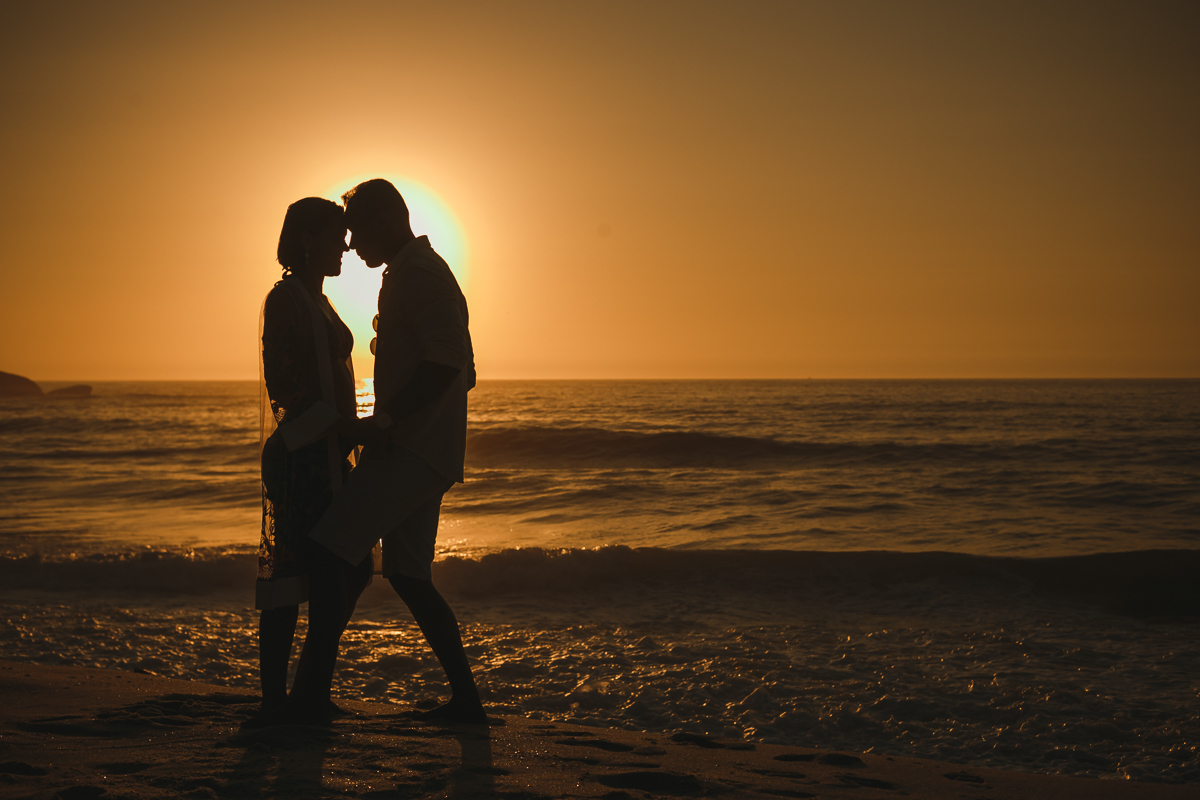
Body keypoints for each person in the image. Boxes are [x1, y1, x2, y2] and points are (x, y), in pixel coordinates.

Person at [308, 178, 485, 724]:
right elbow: (465, 370)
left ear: (385, 221)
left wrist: (388, 420)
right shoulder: (415, 273)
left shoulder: (420, 276)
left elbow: (449, 362)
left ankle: (308, 695)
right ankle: (467, 703)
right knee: (407, 575)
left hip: (410, 451)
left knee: (330, 552)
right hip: (424, 449)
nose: (352, 244)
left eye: (357, 231)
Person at [254, 197, 380, 725]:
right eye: (336, 235)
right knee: (293, 580)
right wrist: (344, 427)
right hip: (301, 457)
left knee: (349, 568)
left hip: (325, 452)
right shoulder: (286, 299)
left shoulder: (317, 300)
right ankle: (279, 702)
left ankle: (306, 689)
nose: (347, 245)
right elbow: (283, 385)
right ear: (307, 240)